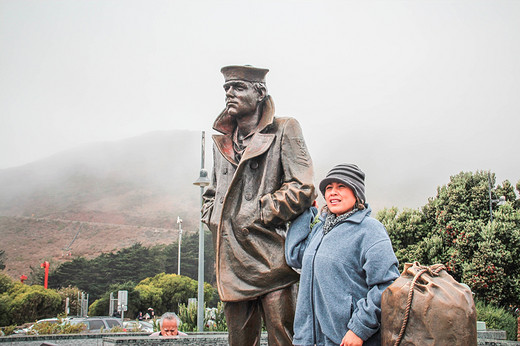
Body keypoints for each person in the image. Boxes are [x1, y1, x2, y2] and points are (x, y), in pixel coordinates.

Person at [202, 65, 316, 346]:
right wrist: (213, 216)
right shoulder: (223, 142)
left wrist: (260, 211)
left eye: (238, 87)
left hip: (272, 260)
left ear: (260, 92)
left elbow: (303, 186)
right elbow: (212, 191)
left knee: (284, 339)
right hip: (231, 262)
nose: (229, 93)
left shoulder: (285, 128)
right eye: (227, 88)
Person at [285, 163, 400, 346]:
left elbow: (387, 284)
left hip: (346, 340)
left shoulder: (370, 230)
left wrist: (359, 329)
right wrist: (306, 211)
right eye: (328, 188)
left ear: (357, 193)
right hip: (308, 340)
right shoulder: (320, 230)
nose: (332, 192)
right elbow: (294, 255)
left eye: (341, 186)